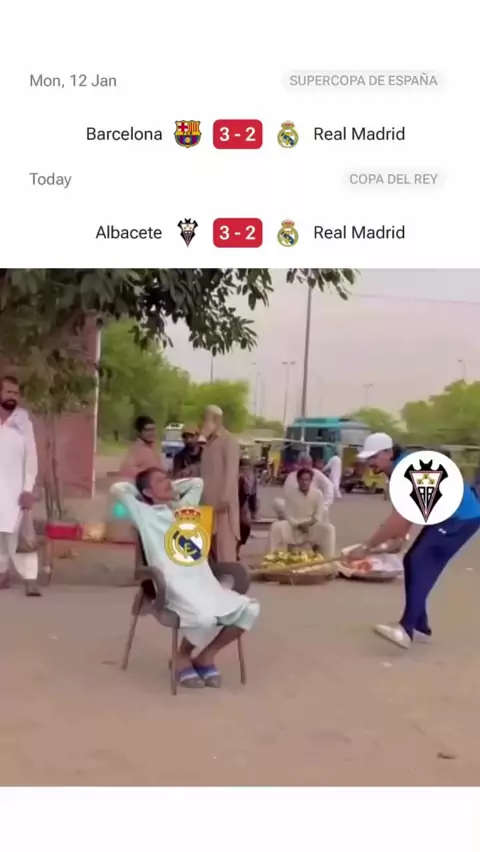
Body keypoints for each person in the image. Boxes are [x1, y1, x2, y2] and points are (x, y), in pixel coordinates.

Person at [111, 468, 259, 688]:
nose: (168, 483)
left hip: (203, 582)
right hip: (175, 585)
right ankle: (182, 656)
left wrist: (168, 489)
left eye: (168, 479)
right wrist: (144, 494)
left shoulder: (184, 510)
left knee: (250, 609)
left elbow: (197, 483)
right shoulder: (145, 514)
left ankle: (206, 656)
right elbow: (118, 489)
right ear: (148, 492)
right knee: (205, 618)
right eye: (161, 481)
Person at [347, 432, 480, 649]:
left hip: (460, 518)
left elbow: (399, 519)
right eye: (368, 458)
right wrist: (398, 539)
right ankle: (420, 626)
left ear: (389, 452)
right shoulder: (399, 469)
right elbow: (409, 512)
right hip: (446, 516)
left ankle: (406, 628)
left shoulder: (407, 469)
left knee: (419, 562)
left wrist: (366, 547)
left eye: (374, 457)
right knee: (411, 561)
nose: (370, 462)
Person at [0, 376, 41, 596]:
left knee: (20, 533)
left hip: (16, 489)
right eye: (8, 392)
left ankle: (30, 579)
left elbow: (31, 456)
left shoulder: (23, 422)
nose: (12, 397)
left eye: (16, 393)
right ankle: (2, 573)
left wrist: (28, 488)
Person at [200, 405, 240, 563]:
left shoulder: (228, 440)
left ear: (216, 419)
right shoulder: (209, 443)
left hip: (223, 505)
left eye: (205, 419)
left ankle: (229, 575)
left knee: (224, 548)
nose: (202, 423)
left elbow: (231, 471)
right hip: (208, 505)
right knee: (209, 549)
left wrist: (225, 498)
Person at [269, 467, 336, 556]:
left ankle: (328, 559)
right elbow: (288, 514)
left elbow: (318, 515)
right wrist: (298, 525)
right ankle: (272, 557)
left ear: (311, 481)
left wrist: (309, 524)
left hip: (312, 525)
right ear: (298, 480)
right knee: (276, 527)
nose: (304, 482)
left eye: (307, 480)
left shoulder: (318, 494)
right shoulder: (291, 493)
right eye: (302, 479)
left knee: (329, 529)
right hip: (294, 525)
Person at [273, 453, 334, 519]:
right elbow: (287, 495)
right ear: (298, 465)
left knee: (324, 509)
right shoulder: (292, 476)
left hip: (312, 507)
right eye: (303, 464)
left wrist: (326, 503)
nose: (306, 467)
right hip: (296, 507)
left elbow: (329, 486)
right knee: (276, 502)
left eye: (308, 464)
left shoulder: (316, 473)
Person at [237, 456, 258, 559]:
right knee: (240, 529)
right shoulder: (237, 477)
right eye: (243, 468)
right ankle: (235, 552)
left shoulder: (252, 478)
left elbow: (253, 494)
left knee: (245, 528)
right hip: (237, 505)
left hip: (245, 507)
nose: (245, 471)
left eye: (247, 468)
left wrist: (253, 510)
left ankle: (237, 550)